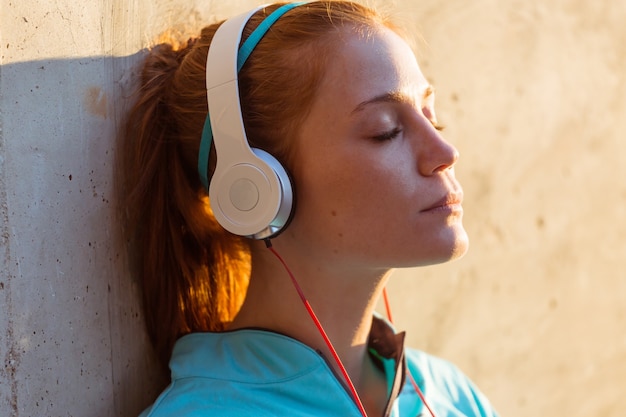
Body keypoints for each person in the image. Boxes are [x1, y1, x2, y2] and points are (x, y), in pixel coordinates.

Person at [121, 1, 500, 416]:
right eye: (385, 132)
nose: (445, 152)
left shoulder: (453, 396)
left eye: (432, 117)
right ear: (255, 187)